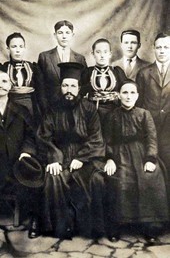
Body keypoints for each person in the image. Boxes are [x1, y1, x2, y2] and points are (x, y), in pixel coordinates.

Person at [91, 80, 169, 244]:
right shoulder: (112, 115)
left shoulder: (144, 114)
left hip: (141, 154)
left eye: (132, 93)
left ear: (137, 96)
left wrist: (150, 159)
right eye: (125, 92)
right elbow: (108, 140)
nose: (128, 96)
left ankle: (149, 226)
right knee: (119, 180)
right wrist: (110, 158)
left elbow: (151, 138)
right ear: (119, 95)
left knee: (151, 177)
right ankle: (116, 226)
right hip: (120, 155)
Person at [37, 62, 105, 239]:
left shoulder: (89, 108)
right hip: (60, 153)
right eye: (65, 85)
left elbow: (96, 138)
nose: (69, 90)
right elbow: (44, 136)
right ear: (61, 87)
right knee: (53, 176)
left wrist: (81, 158)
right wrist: (54, 158)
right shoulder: (52, 109)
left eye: (73, 86)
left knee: (95, 179)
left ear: (79, 88)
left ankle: (87, 228)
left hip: (86, 156)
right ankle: (62, 227)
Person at [0, 70, 41, 239]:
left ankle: (34, 219)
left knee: (33, 177)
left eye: (3, 81)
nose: (0, 85)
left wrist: (26, 152)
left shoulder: (21, 110)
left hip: (17, 162)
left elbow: (31, 136)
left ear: (10, 85)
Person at [136, 33, 170, 200]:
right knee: (149, 170)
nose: (162, 51)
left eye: (166, 47)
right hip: (149, 130)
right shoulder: (144, 73)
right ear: (154, 49)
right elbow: (139, 105)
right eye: (159, 47)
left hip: (168, 130)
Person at [38, 20, 87, 109]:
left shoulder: (80, 58)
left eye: (67, 33)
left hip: (74, 106)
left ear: (72, 35)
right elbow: (40, 86)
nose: (64, 36)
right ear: (55, 35)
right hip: (51, 106)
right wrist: (45, 108)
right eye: (60, 33)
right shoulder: (44, 57)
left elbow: (83, 84)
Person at [82, 38, 126, 137]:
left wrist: (116, 96)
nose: (102, 55)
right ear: (93, 54)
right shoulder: (88, 72)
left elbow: (126, 91)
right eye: (98, 52)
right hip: (93, 112)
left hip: (114, 111)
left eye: (105, 52)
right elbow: (80, 93)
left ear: (110, 54)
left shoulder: (117, 72)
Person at [3, 32, 44, 121]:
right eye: (14, 47)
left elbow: (41, 92)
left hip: (31, 108)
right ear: (8, 48)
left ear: (24, 48)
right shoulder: (3, 68)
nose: (18, 50)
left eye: (21, 46)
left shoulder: (33, 68)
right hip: (10, 108)